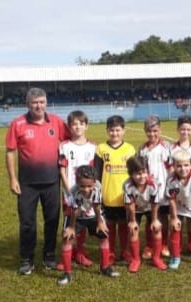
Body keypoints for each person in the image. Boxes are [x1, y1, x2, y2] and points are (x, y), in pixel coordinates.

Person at [6, 87, 69, 275]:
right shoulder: (18, 124)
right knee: (27, 222)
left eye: (41, 101)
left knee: (52, 221)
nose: (38, 106)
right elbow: (10, 152)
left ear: (46, 102)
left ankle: (49, 256)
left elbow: (70, 144)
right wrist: (13, 179)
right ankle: (26, 259)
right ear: (27, 104)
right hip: (27, 183)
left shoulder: (57, 122)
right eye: (34, 102)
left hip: (52, 181)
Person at [57, 165, 120, 286]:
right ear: (77, 182)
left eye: (89, 186)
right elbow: (74, 211)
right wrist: (71, 228)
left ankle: (105, 267)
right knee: (67, 239)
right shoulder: (73, 191)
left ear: (94, 183)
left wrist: (100, 222)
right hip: (75, 217)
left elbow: (96, 206)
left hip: (92, 215)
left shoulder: (98, 187)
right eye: (82, 186)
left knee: (104, 235)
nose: (86, 189)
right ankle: (67, 273)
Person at [94, 115, 136, 266]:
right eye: (112, 130)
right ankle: (110, 251)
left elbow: (134, 174)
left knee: (124, 224)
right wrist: (98, 192)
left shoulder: (130, 149)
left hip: (124, 196)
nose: (115, 133)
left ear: (123, 131)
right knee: (110, 224)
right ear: (107, 131)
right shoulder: (101, 149)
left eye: (118, 130)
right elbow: (97, 173)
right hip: (107, 195)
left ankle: (124, 251)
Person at [58, 110, 95, 270]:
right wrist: (69, 192)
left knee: (82, 222)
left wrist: (90, 192)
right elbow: (62, 171)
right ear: (69, 126)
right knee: (68, 223)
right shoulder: (64, 146)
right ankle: (66, 254)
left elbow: (95, 173)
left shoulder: (94, 147)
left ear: (86, 126)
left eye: (81, 123)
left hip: (87, 193)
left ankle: (80, 252)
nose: (77, 127)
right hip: (69, 193)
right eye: (74, 124)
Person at [137, 115, 172, 260]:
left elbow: (171, 168)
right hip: (148, 191)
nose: (152, 134)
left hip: (163, 189)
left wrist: (169, 187)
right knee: (151, 217)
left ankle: (163, 244)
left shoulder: (167, 147)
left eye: (155, 131)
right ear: (145, 131)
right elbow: (139, 170)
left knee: (163, 218)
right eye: (149, 131)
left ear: (160, 130)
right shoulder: (142, 149)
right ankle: (149, 245)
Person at [123, 156, 167, 272]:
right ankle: (136, 260)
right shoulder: (127, 185)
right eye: (137, 174)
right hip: (135, 210)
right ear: (130, 174)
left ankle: (156, 258)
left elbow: (155, 203)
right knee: (133, 231)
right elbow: (130, 205)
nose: (141, 176)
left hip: (150, 207)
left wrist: (154, 220)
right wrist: (132, 221)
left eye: (144, 172)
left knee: (157, 228)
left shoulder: (154, 184)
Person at [169, 115, 191, 255]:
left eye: (188, 129)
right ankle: (176, 246)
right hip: (177, 186)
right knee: (177, 217)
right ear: (178, 130)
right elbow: (171, 167)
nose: (185, 132)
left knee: (190, 218)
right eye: (183, 129)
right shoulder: (172, 148)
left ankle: (190, 243)